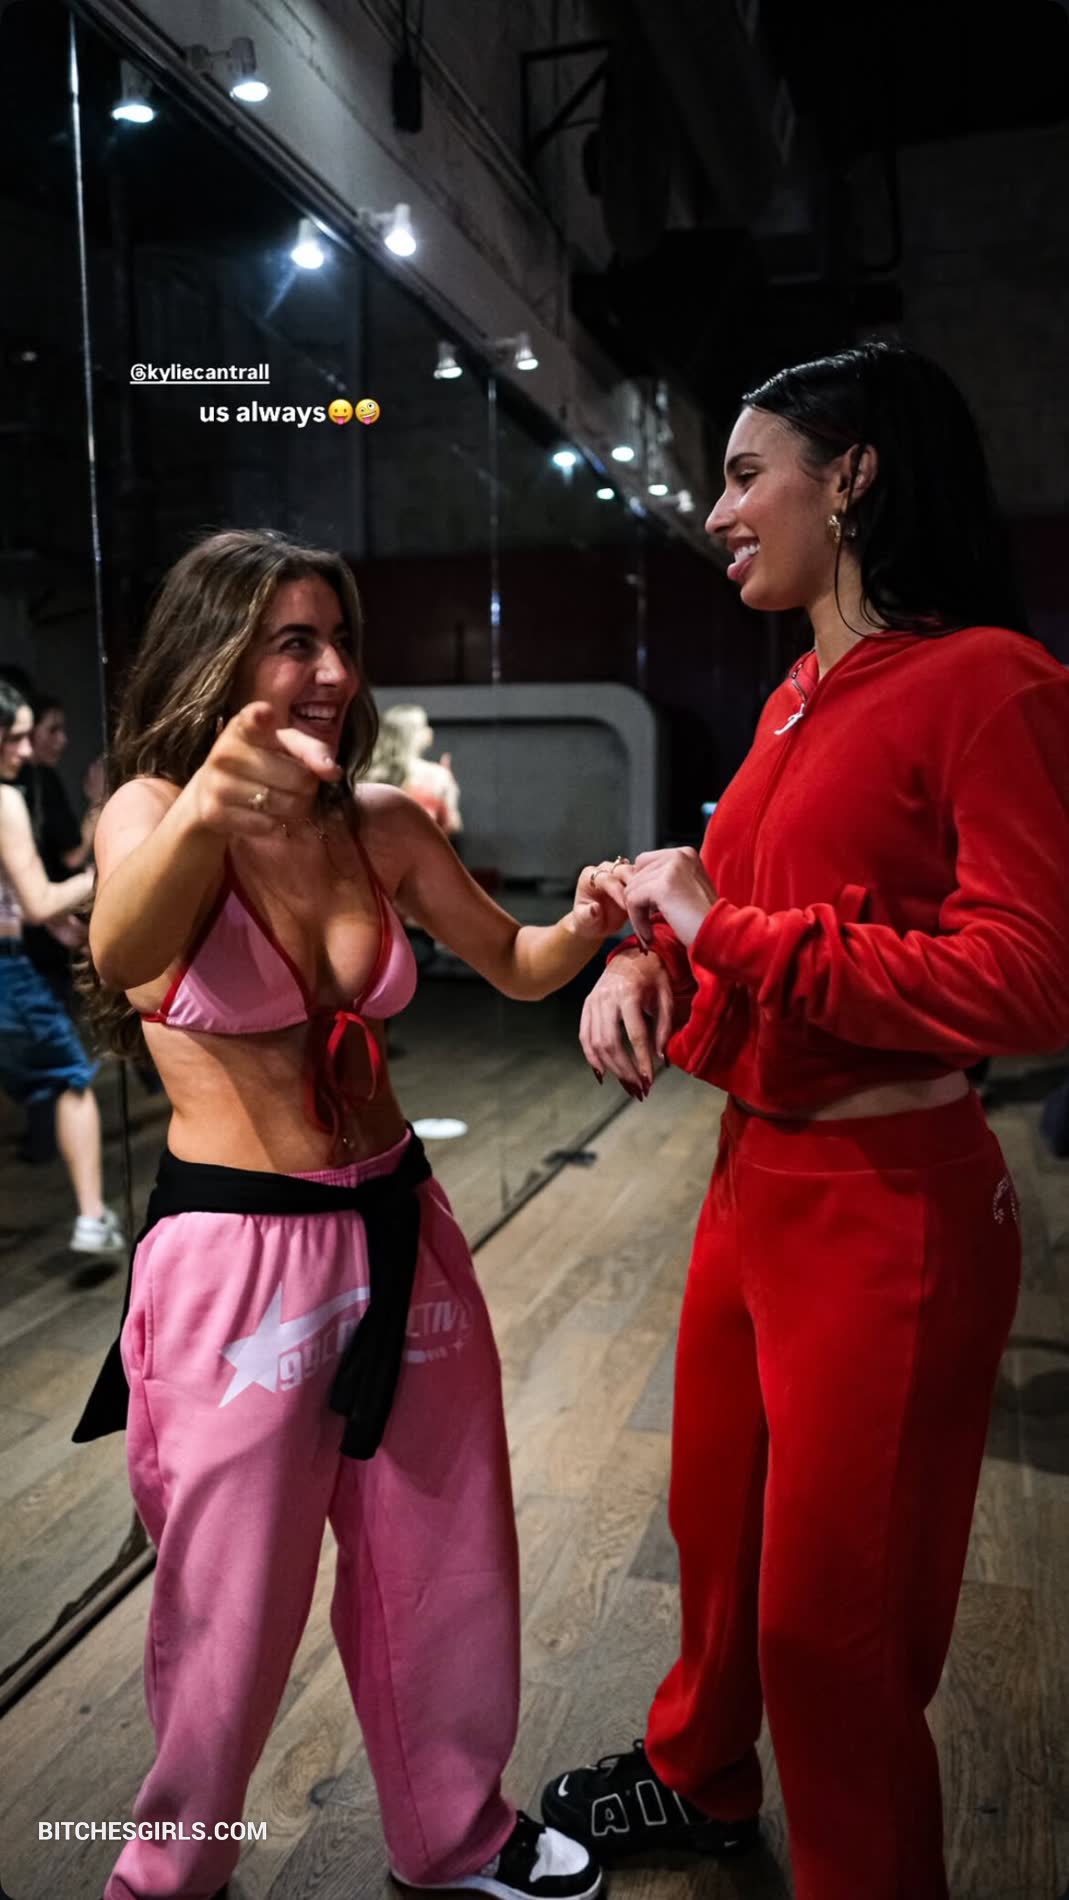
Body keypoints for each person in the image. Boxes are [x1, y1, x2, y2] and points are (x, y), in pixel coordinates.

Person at [539, 343, 1069, 1900]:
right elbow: (740, 913)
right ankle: (700, 1780)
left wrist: (724, 930)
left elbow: (1029, 981)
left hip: (888, 1200)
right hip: (753, 1178)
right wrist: (644, 961)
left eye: (743, 473)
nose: (715, 511)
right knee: (718, 1536)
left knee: (831, 1629)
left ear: (851, 479)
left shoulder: (991, 682)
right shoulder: (793, 695)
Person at [72, 527, 628, 1900]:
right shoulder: (151, 811)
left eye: (338, 641)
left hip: (398, 1224)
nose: (330, 671)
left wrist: (593, 919)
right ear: (217, 655)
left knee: (443, 1555)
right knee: (230, 1606)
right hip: (238, 1263)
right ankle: (168, 1876)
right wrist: (208, 809)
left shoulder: (380, 823)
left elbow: (515, 962)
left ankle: (453, 1833)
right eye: (292, 642)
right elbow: (123, 948)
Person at [0, 681, 125, 1254]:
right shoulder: (6, 799)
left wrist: (57, 926)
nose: (25, 750)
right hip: (8, 974)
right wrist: (103, 877)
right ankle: (93, 1220)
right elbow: (37, 900)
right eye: (16, 737)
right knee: (74, 1079)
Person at [369, 703, 463, 836]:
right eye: (424, 726)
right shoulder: (438, 775)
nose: (430, 730)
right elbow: (452, 824)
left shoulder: (373, 771)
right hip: (424, 846)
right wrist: (451, 792)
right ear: (411, 734)